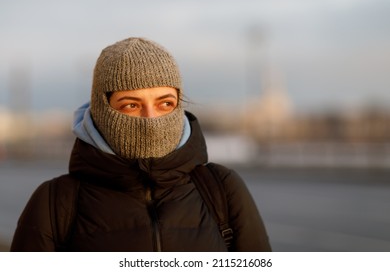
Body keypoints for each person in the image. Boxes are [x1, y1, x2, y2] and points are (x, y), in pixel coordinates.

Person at [10, 37, 271, 252]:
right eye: (131, 105)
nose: (151, 119)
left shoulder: (221, 190)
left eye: (165, 103)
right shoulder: (55, 203)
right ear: (102, 111)